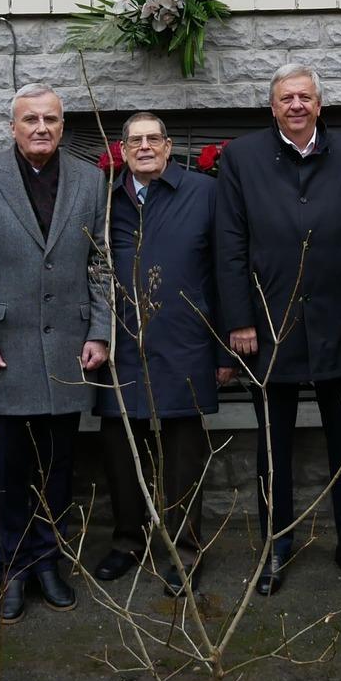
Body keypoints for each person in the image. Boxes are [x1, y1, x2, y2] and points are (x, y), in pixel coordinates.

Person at [215, 65, 341, 598]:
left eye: (305, 97)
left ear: (320, 105)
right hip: (269, 328)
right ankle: (278, 543)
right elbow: (230, 242)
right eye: (286, 98)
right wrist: (239, 319)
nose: (296, 104)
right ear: (272, 108)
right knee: (274, 447)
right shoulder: (240, 158)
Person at [0, 86, 111, 621]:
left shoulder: (90, 180)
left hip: (68, 350)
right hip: (3, 353)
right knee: (6, 471)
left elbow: (101, 263)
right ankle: (12, 569)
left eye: (51, 119)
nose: (41, 128)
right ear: (12, 126)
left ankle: (47, 562)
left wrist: (100, 331)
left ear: (63, 127)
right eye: (30, 120)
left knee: (57, 470)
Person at [96, 112, 226, 598]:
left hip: (185, 342)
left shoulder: (203, 194)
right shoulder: (106, 200)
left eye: (154, 139)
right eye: (136, 140)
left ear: (169, 147)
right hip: (121, 345)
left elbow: (222, 271)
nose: (145, 146)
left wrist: (222, 345)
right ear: (123, 149)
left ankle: (183, 550)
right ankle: (128, 541)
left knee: (183, 458)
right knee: (120, 450)